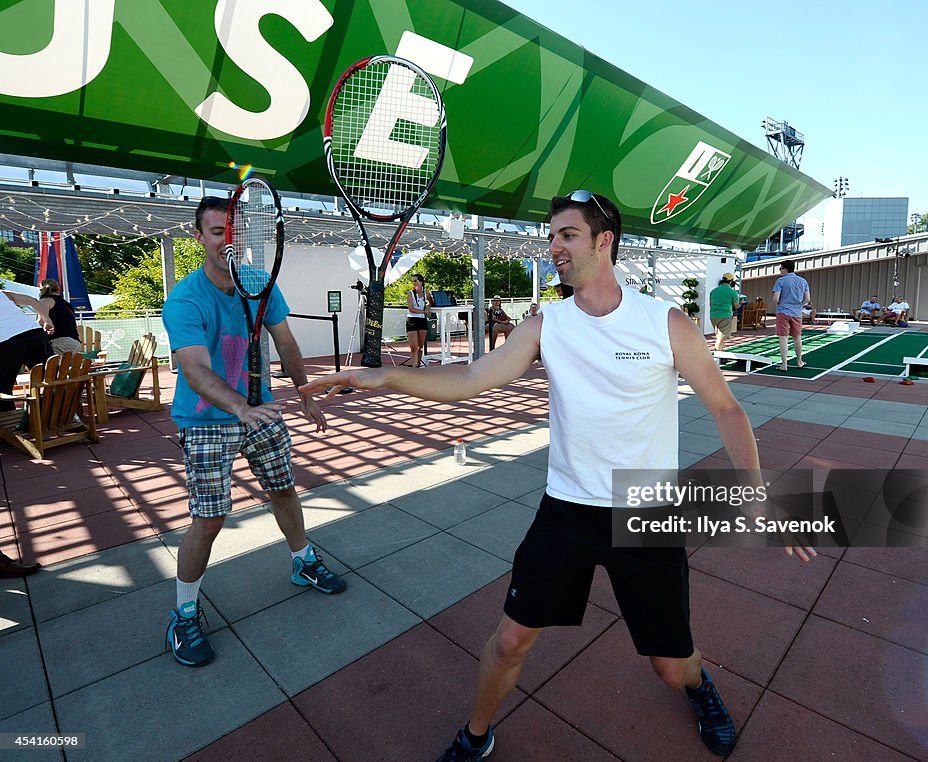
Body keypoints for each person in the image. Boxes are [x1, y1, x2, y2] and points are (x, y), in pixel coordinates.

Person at [301, 190, 815, 760]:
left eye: (566, 236)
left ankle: (700, 685)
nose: (554, 248)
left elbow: (727, 408)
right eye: (552, 237)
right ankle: (475, 736)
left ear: (604, 242)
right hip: (565, 508)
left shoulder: (664, 323)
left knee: (671, 667)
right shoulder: (549, 323)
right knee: (510, 641)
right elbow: (475, 377)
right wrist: (386, 378)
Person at [160, 196, 344, 669]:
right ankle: (183, 612)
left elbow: (287, 342)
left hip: (260, 413)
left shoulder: (261, 284)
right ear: (198, 238)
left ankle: (303, 561)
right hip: (205, 421)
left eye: (233, 231)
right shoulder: (185, 298)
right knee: (210, 518)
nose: (227, 239)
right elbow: (196, 370)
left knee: (284, 489)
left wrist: (303, 391)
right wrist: (239, 406)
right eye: (217, 231)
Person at [0, 287, 53, 413]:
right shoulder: (3, 294)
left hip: (8, 341)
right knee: (51, 378)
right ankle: (66, 416)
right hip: (35, 334)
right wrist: (47, 320)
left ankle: (6, 420)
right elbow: (33, 301)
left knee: (3, 386)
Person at [771, 260, 811, 372]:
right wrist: (799, 305)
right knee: (797, 337)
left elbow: (775, 299)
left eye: (780, 268)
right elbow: (807, 299)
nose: (780, 271)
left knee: (783, 338)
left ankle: (784, 364)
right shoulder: (803, 281)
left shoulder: (781, 281)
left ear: (785, 269)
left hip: (783, 312)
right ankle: (799, 361)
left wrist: (781, 303)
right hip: (797, 313)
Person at [38, 279, 83, 354]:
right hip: (75, 343)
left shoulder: (45, 301)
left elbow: (41, 322)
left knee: (45, 364)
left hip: (59, 342)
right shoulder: (66, 303)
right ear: (58, 289)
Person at [405, 273, 433, 368]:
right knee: (414, 346)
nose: (414, 283)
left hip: (422, 320)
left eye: (415, 281)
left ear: (421, 282)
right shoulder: (410, 293)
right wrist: (423, 311)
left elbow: (431, 302)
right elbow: (411, 308)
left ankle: (418, 364)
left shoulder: (426, 292)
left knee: (420, 346)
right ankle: (414, 367)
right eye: (412, 281)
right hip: (412, 319)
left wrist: (428, 306)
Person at [709, 272, 740, 351]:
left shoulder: (713, 291)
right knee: (721, 337)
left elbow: (710, 304)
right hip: (725, 315)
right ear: (731, 281)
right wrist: (742, 304)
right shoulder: (732, 292)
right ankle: (717, 355)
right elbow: (736, 306)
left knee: (719, 336)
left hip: (713, 315)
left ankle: (720, 353)